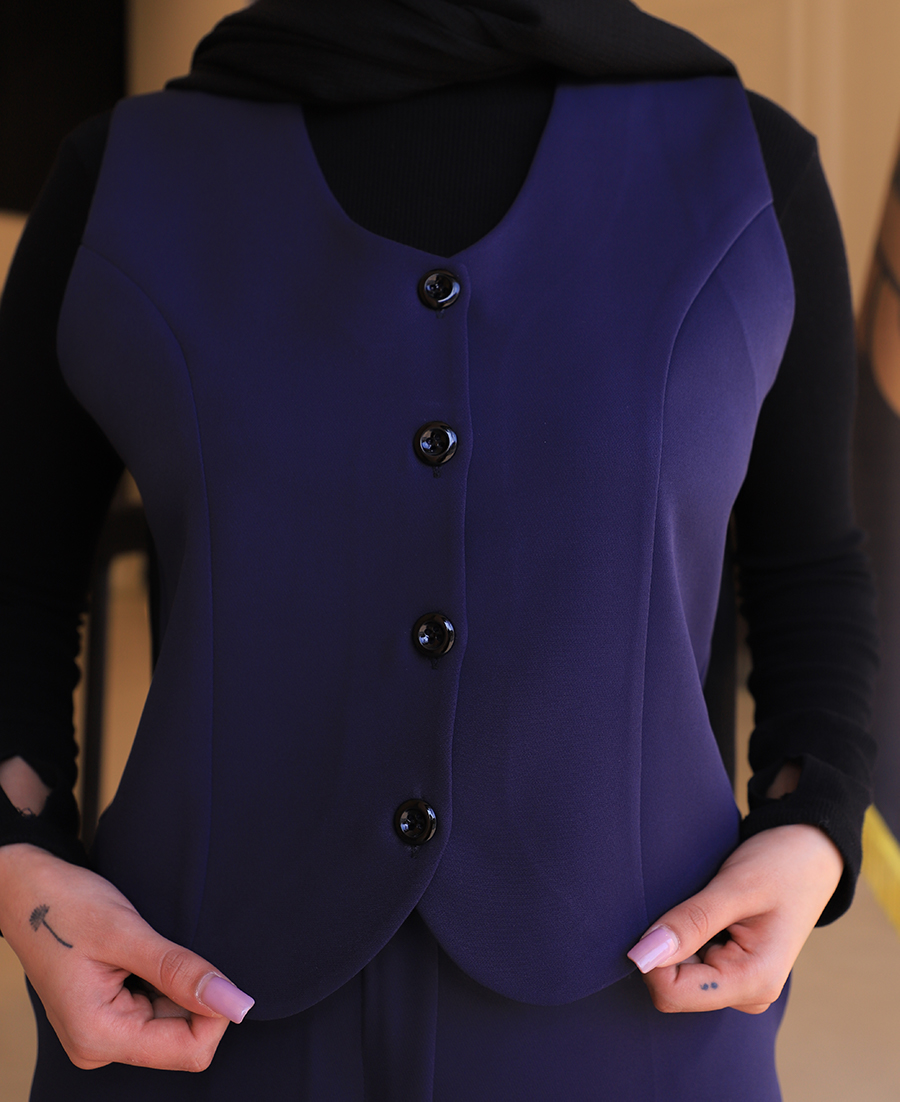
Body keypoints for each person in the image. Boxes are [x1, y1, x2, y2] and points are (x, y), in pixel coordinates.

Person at [0, 1, 878, 1098]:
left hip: (636, 1020)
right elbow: (17, 581)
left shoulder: (746, 169)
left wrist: (812, 826)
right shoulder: (123, 177)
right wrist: (19, 859)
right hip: (190, 1019)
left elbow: (810, 568)